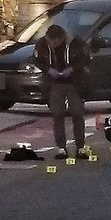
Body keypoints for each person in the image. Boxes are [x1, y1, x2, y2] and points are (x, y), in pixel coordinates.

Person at [34, 24, 90, 159]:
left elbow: (85, 59)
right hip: (54, 83)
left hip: (74, 82)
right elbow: (37, 60)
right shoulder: (42, 44)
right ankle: (61, 148)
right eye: (51, 41)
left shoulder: (76, 43)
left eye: (56, 42)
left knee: (77, 113)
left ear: (62, 38)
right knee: (57, 114)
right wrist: (48, 70)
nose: (54, 44)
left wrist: (71, 69)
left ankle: (80, 147)